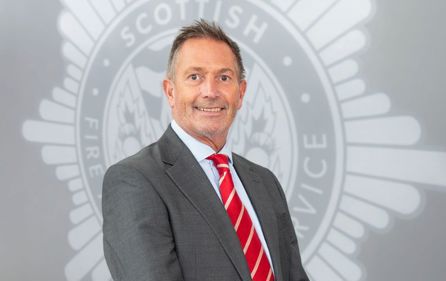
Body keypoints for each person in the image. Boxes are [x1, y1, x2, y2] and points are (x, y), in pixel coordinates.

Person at [102, 19, 309, 281]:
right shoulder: (135, 180)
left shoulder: (265, 182)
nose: (210, 92)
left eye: (224, 77)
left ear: (241, 93)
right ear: (170, 92)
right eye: (195, 77)